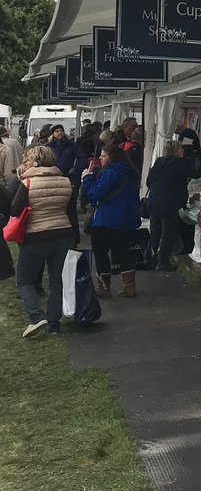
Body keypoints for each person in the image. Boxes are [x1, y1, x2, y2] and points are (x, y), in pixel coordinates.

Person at [11, 145, 76, 337]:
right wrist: (75, 238)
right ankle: (54, 323)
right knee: (57, 281)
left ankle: (36, 316)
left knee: (24, 280)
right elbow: (71, 211)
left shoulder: (27, 183)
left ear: (35, 161)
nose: (24, 163)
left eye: (27, 160)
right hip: (63, 233)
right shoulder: (65, 181)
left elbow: (14, 210)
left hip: (35, 235)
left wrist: (19, 180)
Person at [82, 142, 142, 299]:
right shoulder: (131, 172)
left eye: (103, 156)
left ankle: (103, 288)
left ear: (111, 157)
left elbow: (95, 194)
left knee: (101, 254)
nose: (100, 159)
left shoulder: (109, 173)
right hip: (126, 220)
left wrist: (87, 179)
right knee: (124, 253)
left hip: (105, 220)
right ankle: (129, 287)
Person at [144, 140, 201, 271]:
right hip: (170, 202)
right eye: (181, 149)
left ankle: (152, 259)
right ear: (177, 151)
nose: (183, 151)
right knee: (168, 232)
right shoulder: (180, 163)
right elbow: (195, 174)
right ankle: (163, 261)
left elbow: (148, 182)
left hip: (154, 200)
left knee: (155, 231)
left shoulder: (158, 162)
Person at [47, 124, 88, 243]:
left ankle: (74, 237)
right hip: (54, 178)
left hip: (70, 179)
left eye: (61, 131)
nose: (60, 133)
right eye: (57, 131)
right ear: (53, 134)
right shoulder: (48, 147)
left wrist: (75, 169)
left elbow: (82, 158)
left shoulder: (72, 145)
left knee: (71, 208)